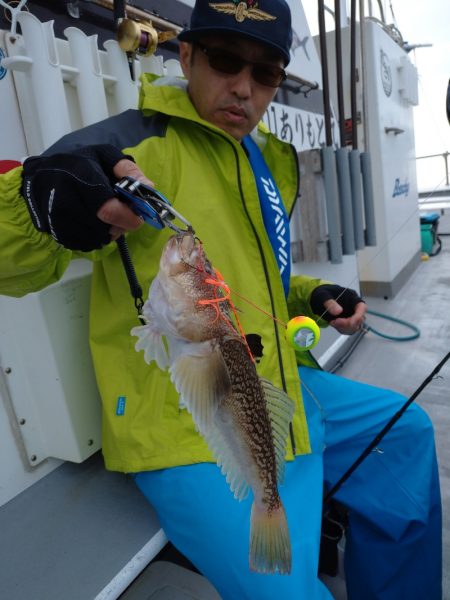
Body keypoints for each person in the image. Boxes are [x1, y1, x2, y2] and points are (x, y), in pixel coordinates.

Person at [0, 1, 442, 598]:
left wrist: (312, 294)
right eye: (227, 60)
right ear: (186, 55)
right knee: (285, 592)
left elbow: (250, 286)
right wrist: (38, 206)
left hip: (280, 384)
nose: (243, 87)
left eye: (265, 74)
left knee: (408, 434)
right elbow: (13, 253)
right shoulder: (129, 147)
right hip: (188, 413)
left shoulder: (268, 161)